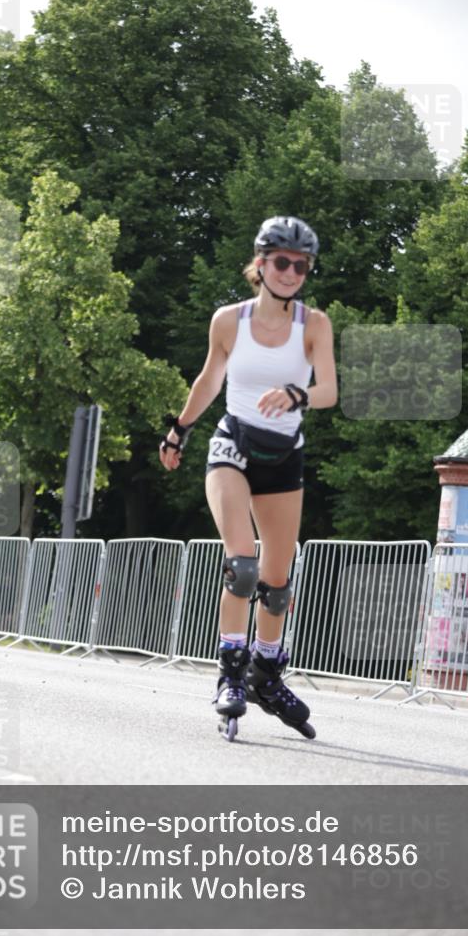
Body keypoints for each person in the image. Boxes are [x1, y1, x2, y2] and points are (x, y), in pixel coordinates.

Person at [159, 216, 338, 741]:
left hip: (284, 457)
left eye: (300, 265)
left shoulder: (314, 325)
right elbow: (211, 376)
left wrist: (298, 393)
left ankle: (266, 673)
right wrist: (179, 431)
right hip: (232, 444)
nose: (290, 272)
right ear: (260, 264)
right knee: (243, 564)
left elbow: (329, 388)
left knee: (278, 583)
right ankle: (230, 672)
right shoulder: (228, 321)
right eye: (280, 261)